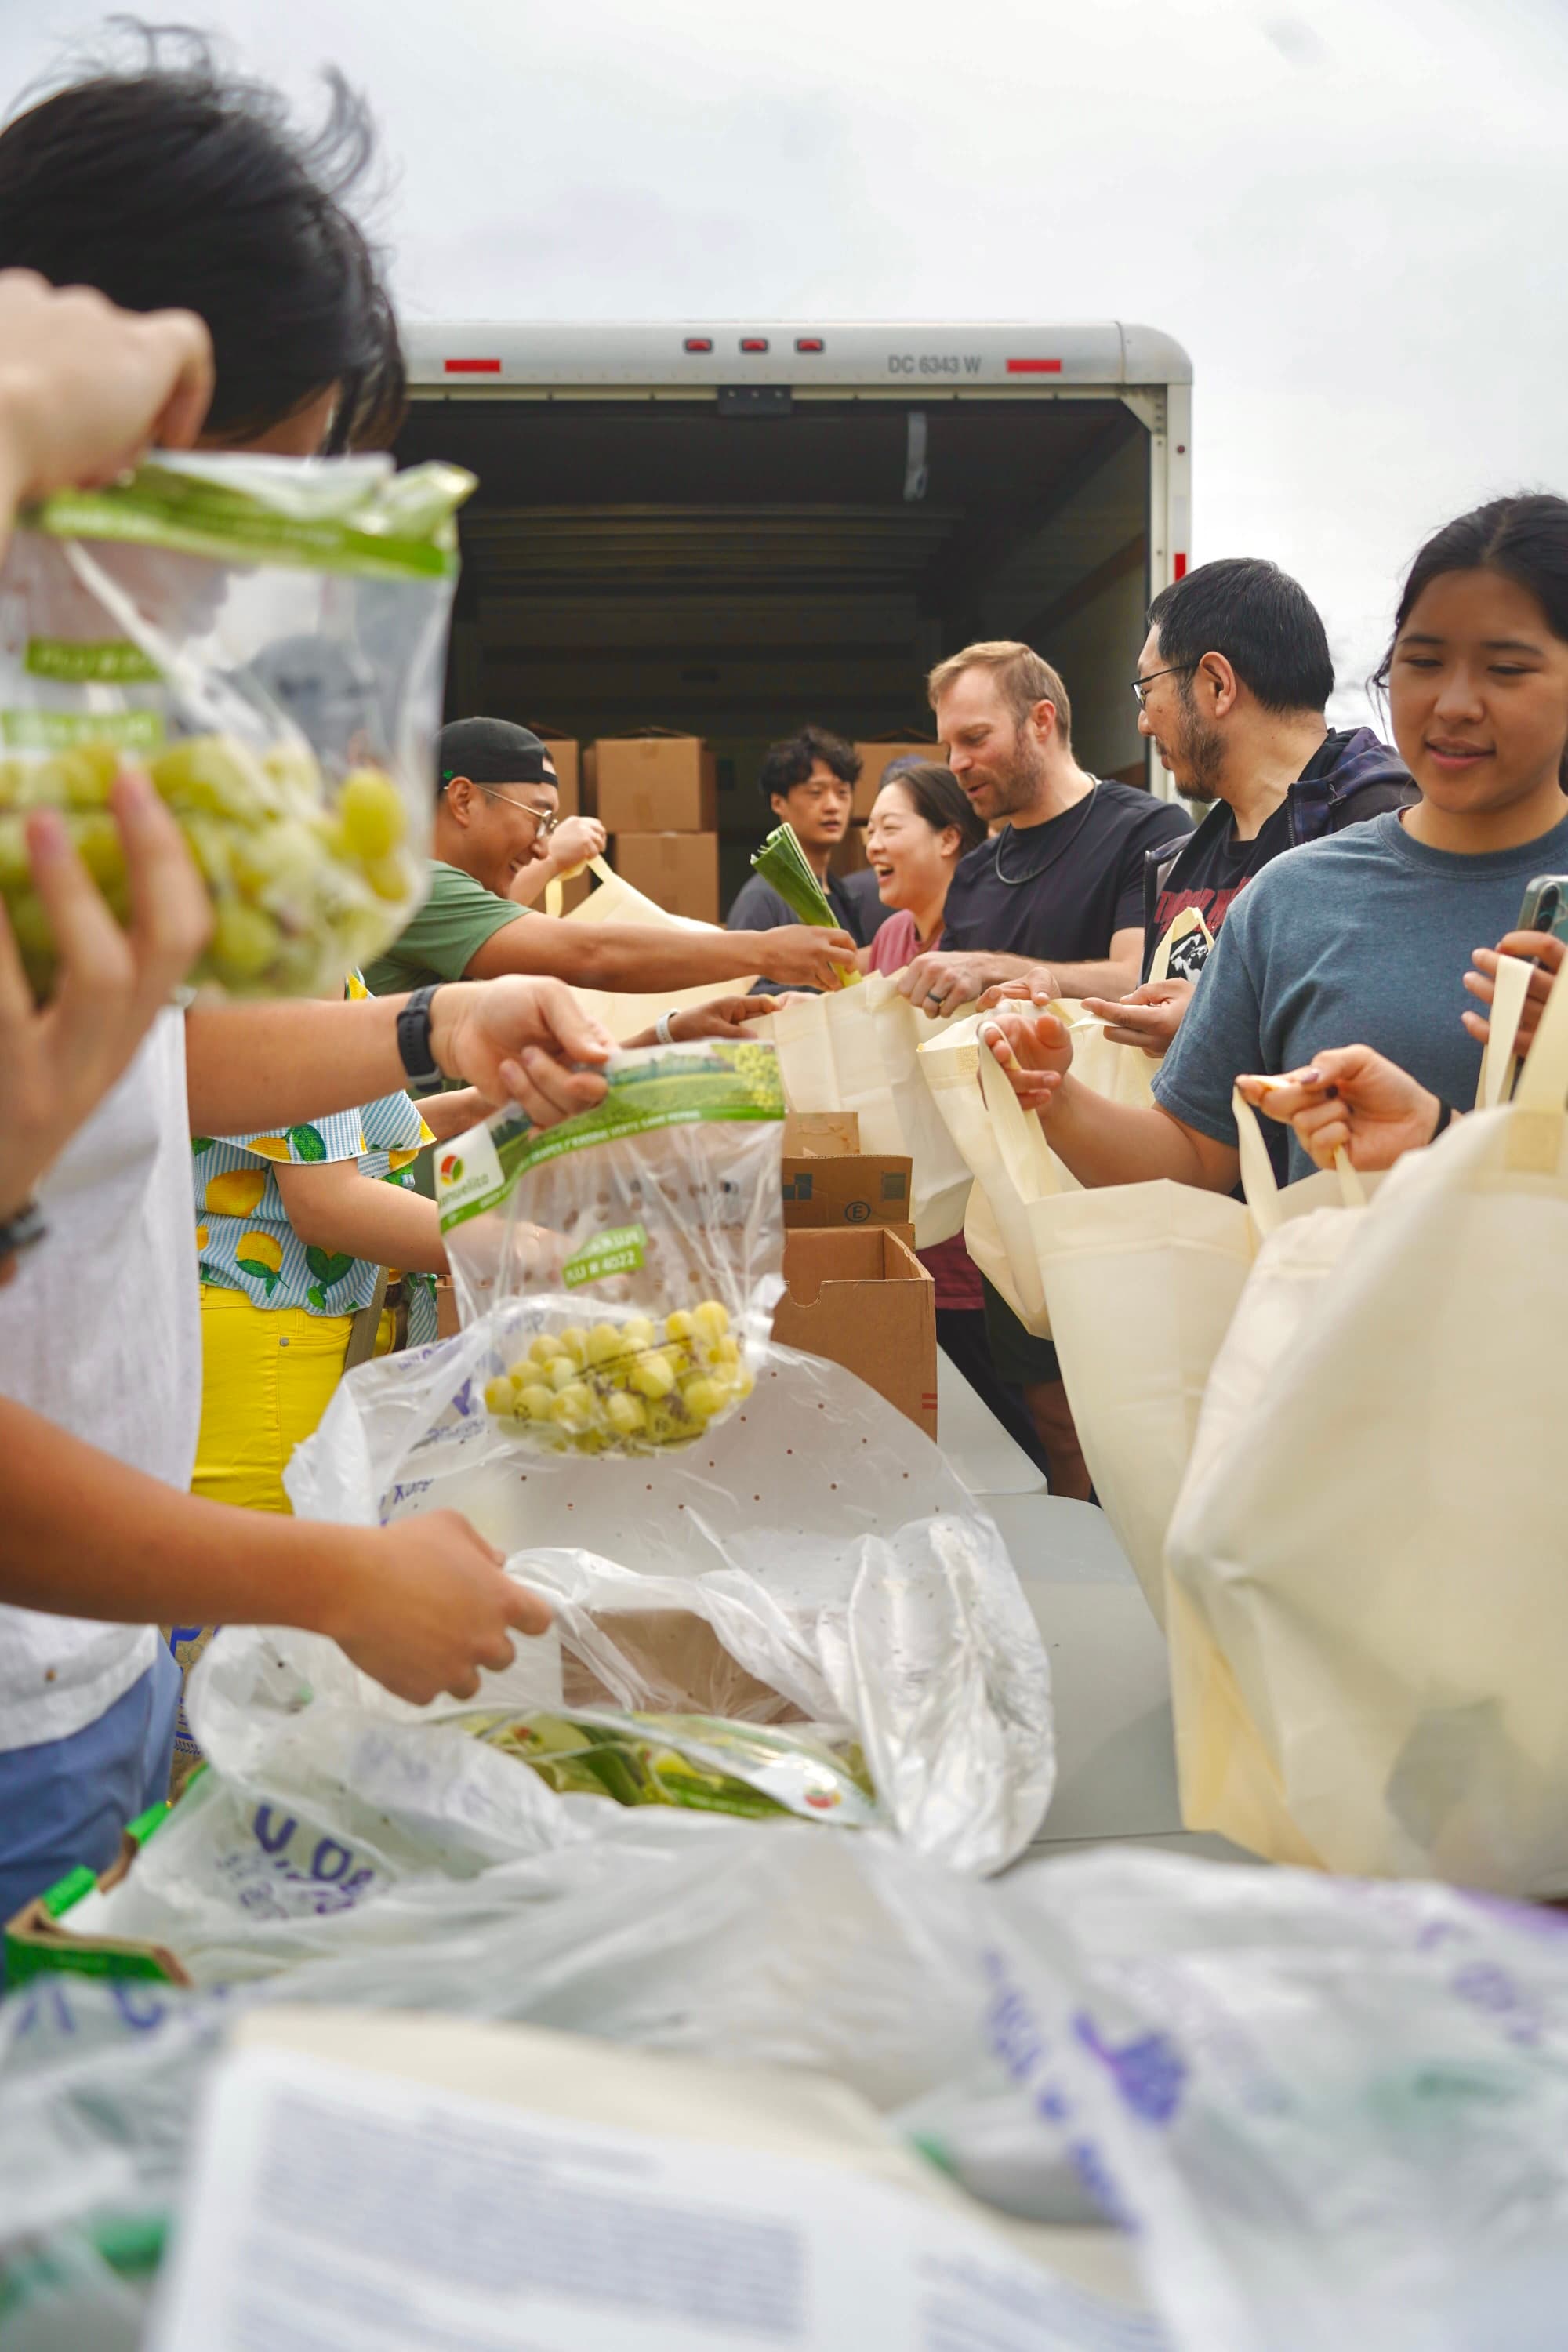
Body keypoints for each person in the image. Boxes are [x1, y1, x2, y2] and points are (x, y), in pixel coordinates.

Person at [0, 44, 606, 1926]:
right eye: (244, 509)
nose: (231, 596)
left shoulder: (70, 745)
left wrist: (428, 1025)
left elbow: (141, 1068)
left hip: (85, 1663)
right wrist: (323, 1579)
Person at [981, 494, 1568, 1200]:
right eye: (1424, 661)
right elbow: (1195, 1158)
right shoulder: (1289, 895)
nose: (1454, 704)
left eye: (1507, 669)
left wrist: (1455, 1130)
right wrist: (1055, 1097)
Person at [894, 640, 1192, 1498]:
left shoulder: (1145, 833)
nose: (957, 764)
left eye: (974, 738)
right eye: (948, 745)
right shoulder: (978, 872)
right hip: (1011, 1188)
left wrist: (997, 969)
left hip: (1115, 1170)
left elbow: (1139, 980)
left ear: (1041, 721)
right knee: (1053, 1417)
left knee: (1130, 1415)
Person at [1080, 558, 1413, 1062]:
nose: (1143, 724)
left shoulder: (1390, 829)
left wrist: (1211, 1028)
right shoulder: (1175, 863)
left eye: (1147, 692)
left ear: (1218, 684)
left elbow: (1409, 1044)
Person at [366, 716, 854, 1001]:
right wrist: (766, 951)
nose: (543, 846)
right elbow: (592, 954)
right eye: (539, 817)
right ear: (463, 800)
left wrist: (666, 1034)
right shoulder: (420, 889)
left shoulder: (430, 895)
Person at [858, 758, 1044, 1463]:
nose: (872, 844)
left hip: (982, 1239)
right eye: (869, 830)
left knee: (1015, 1438)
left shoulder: (988, 946)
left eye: (889, 827)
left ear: (948, 838)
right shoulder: (890, 939)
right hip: (911, 1232)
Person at [726, 725, 865, 946]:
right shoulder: (762, 899)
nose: (832, 806)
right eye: (816, 793)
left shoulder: (845, 896)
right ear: (778, 803)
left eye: (842, 793)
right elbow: (741, 968)